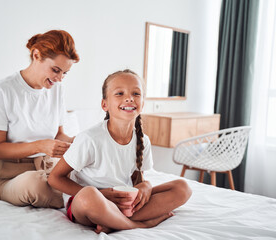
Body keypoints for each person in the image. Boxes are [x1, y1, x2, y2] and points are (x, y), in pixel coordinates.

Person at [48, 69, 192, 233]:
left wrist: (145, 186)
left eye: (136, 93)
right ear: (105, 104)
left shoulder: (143, 140)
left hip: (125, 204)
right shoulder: (89, 139)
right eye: (119, 93)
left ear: (142, 104)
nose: (129, 98)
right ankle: (139, 224)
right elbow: (55, 178)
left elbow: (136, 180)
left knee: (182, 187)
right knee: (89, 195)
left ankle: (113, 221)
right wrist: (101, 194)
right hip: (90, 204)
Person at [0, 29, 79, 208]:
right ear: (36, 55)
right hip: (12, 177)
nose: (59, 79)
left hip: (50, 169)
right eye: (56, 70)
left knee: (88, 173)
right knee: (38, 185)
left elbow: (59, 135)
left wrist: (80, 141)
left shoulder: (57, 89)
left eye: (65, 73)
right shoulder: (3, 90)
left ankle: (92, 202)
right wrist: (40, 146)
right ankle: (84, 201)